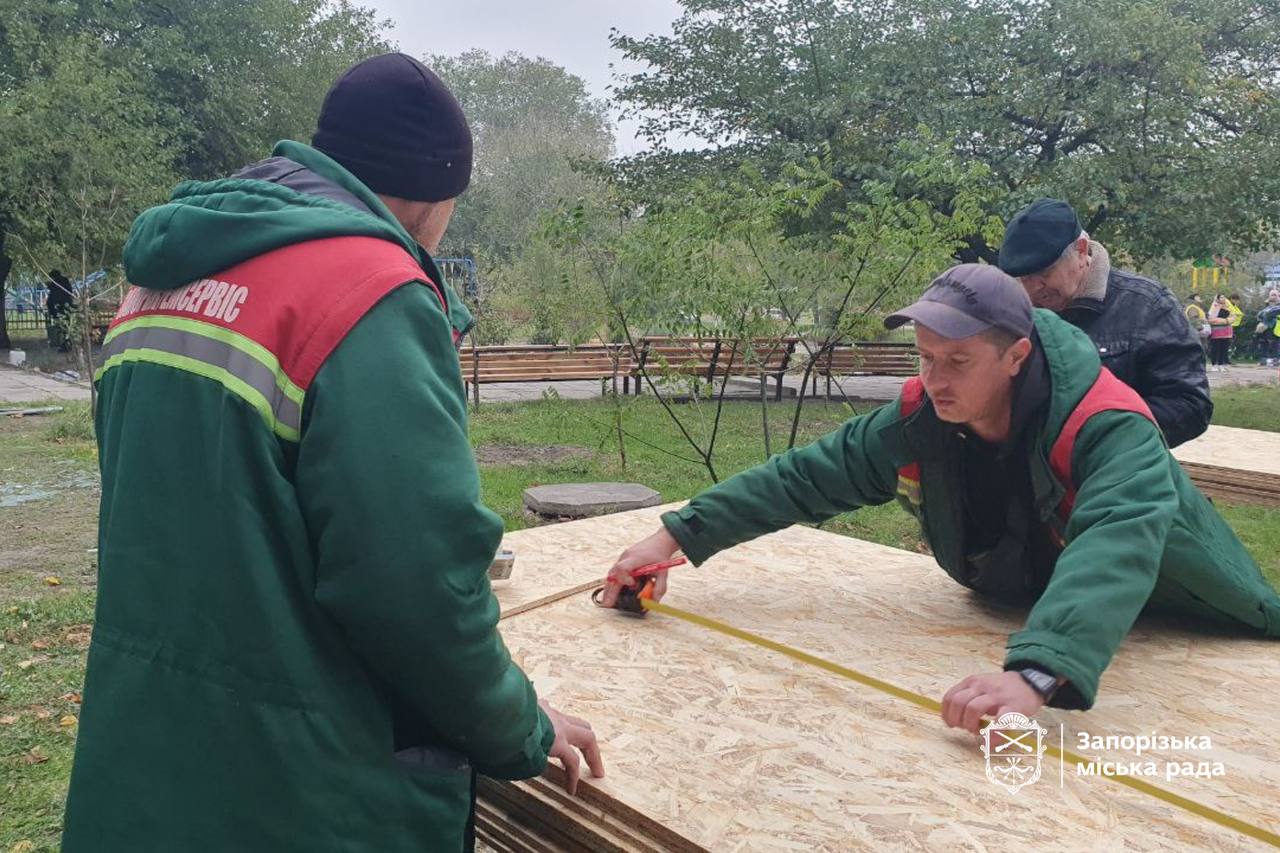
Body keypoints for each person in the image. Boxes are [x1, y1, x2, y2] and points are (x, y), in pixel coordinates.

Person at [62, 54, 602, 852]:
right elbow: (416, 586)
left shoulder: (159, 282)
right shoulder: (369, 292)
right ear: (431, 196)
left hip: (150, 759)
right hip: (299, 796)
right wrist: (518, 723)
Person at [602, 265, 1279, 734]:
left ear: (1016, 356)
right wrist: (674, 537)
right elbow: (803, 476)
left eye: (956, 361)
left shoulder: (1107, 421)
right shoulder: (922, 412)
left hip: (1186, 617)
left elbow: (1118, 542)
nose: (933, 378)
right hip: (1030, 597)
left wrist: (1038, 673)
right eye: (923, 356)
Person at [997, 199, 1211, 447]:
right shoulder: (1015, 311)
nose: (1033, 287)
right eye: (1023, 276)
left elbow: (1191, 405)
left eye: (1044, 273)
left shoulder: (1148, 306)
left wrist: (1098, 435)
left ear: (1081, 249)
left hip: (1119, 474)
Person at [1207, 293, 1239, 371]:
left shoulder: (1228, 306)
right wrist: (1224, 321)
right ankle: (1214, 365)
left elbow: (1234, 316)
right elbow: (1211, 319)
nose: (1223, 299)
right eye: (1221, 297)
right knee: (1215, 348)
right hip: (1216, 332)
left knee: (1224, 348)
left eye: (1224, 297)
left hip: (1226, 332)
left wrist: (1227, 320)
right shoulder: (1214, 307)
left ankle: (1221, 364)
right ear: (1217, 299)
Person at [45, 269, 74, 351]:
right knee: (66, 324)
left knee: (63, 326)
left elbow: (52, 292)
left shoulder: (56, 282)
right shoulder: (65, 281)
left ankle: (65, 344)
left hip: (60, 306)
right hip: (67, 305)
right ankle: (67, 343)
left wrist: (53, 313)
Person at [1255, 290, 1280, 367]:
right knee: (1263, 343)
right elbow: (1260, 315)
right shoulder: (1268, 306)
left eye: (1275, 295)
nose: (1273, 296)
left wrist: (1266, 314)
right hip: (1265, 328)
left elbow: (1268, 314)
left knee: (1275, 344)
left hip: (1276, 328)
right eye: (1272, 295)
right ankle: (1263, 359)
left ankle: (1276, 359)